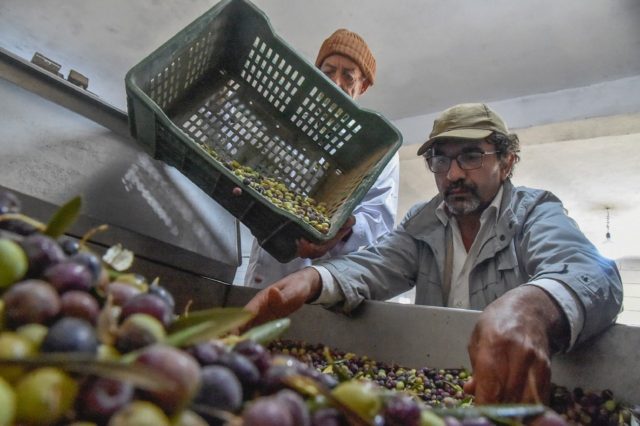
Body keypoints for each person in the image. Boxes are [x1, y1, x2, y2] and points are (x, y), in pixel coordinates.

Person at [244, 103, 623, 404]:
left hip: (515, 394)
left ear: (506, 162)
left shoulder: (534, 212)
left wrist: (532, 310)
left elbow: (594, 273)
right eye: (441, 160)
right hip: (439, 390)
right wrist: (313, 277)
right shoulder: (424, 222)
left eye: (472, 156)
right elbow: (375, 264)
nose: (453, 173)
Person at [244, 29, 400, 287]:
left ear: (363, 86)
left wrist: (341, 231)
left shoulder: (377, 148)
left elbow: (378, 220)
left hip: (321, 282)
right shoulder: (288, 125)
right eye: (328, 72)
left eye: (348, 76)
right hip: (266, 269)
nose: (336, 82)